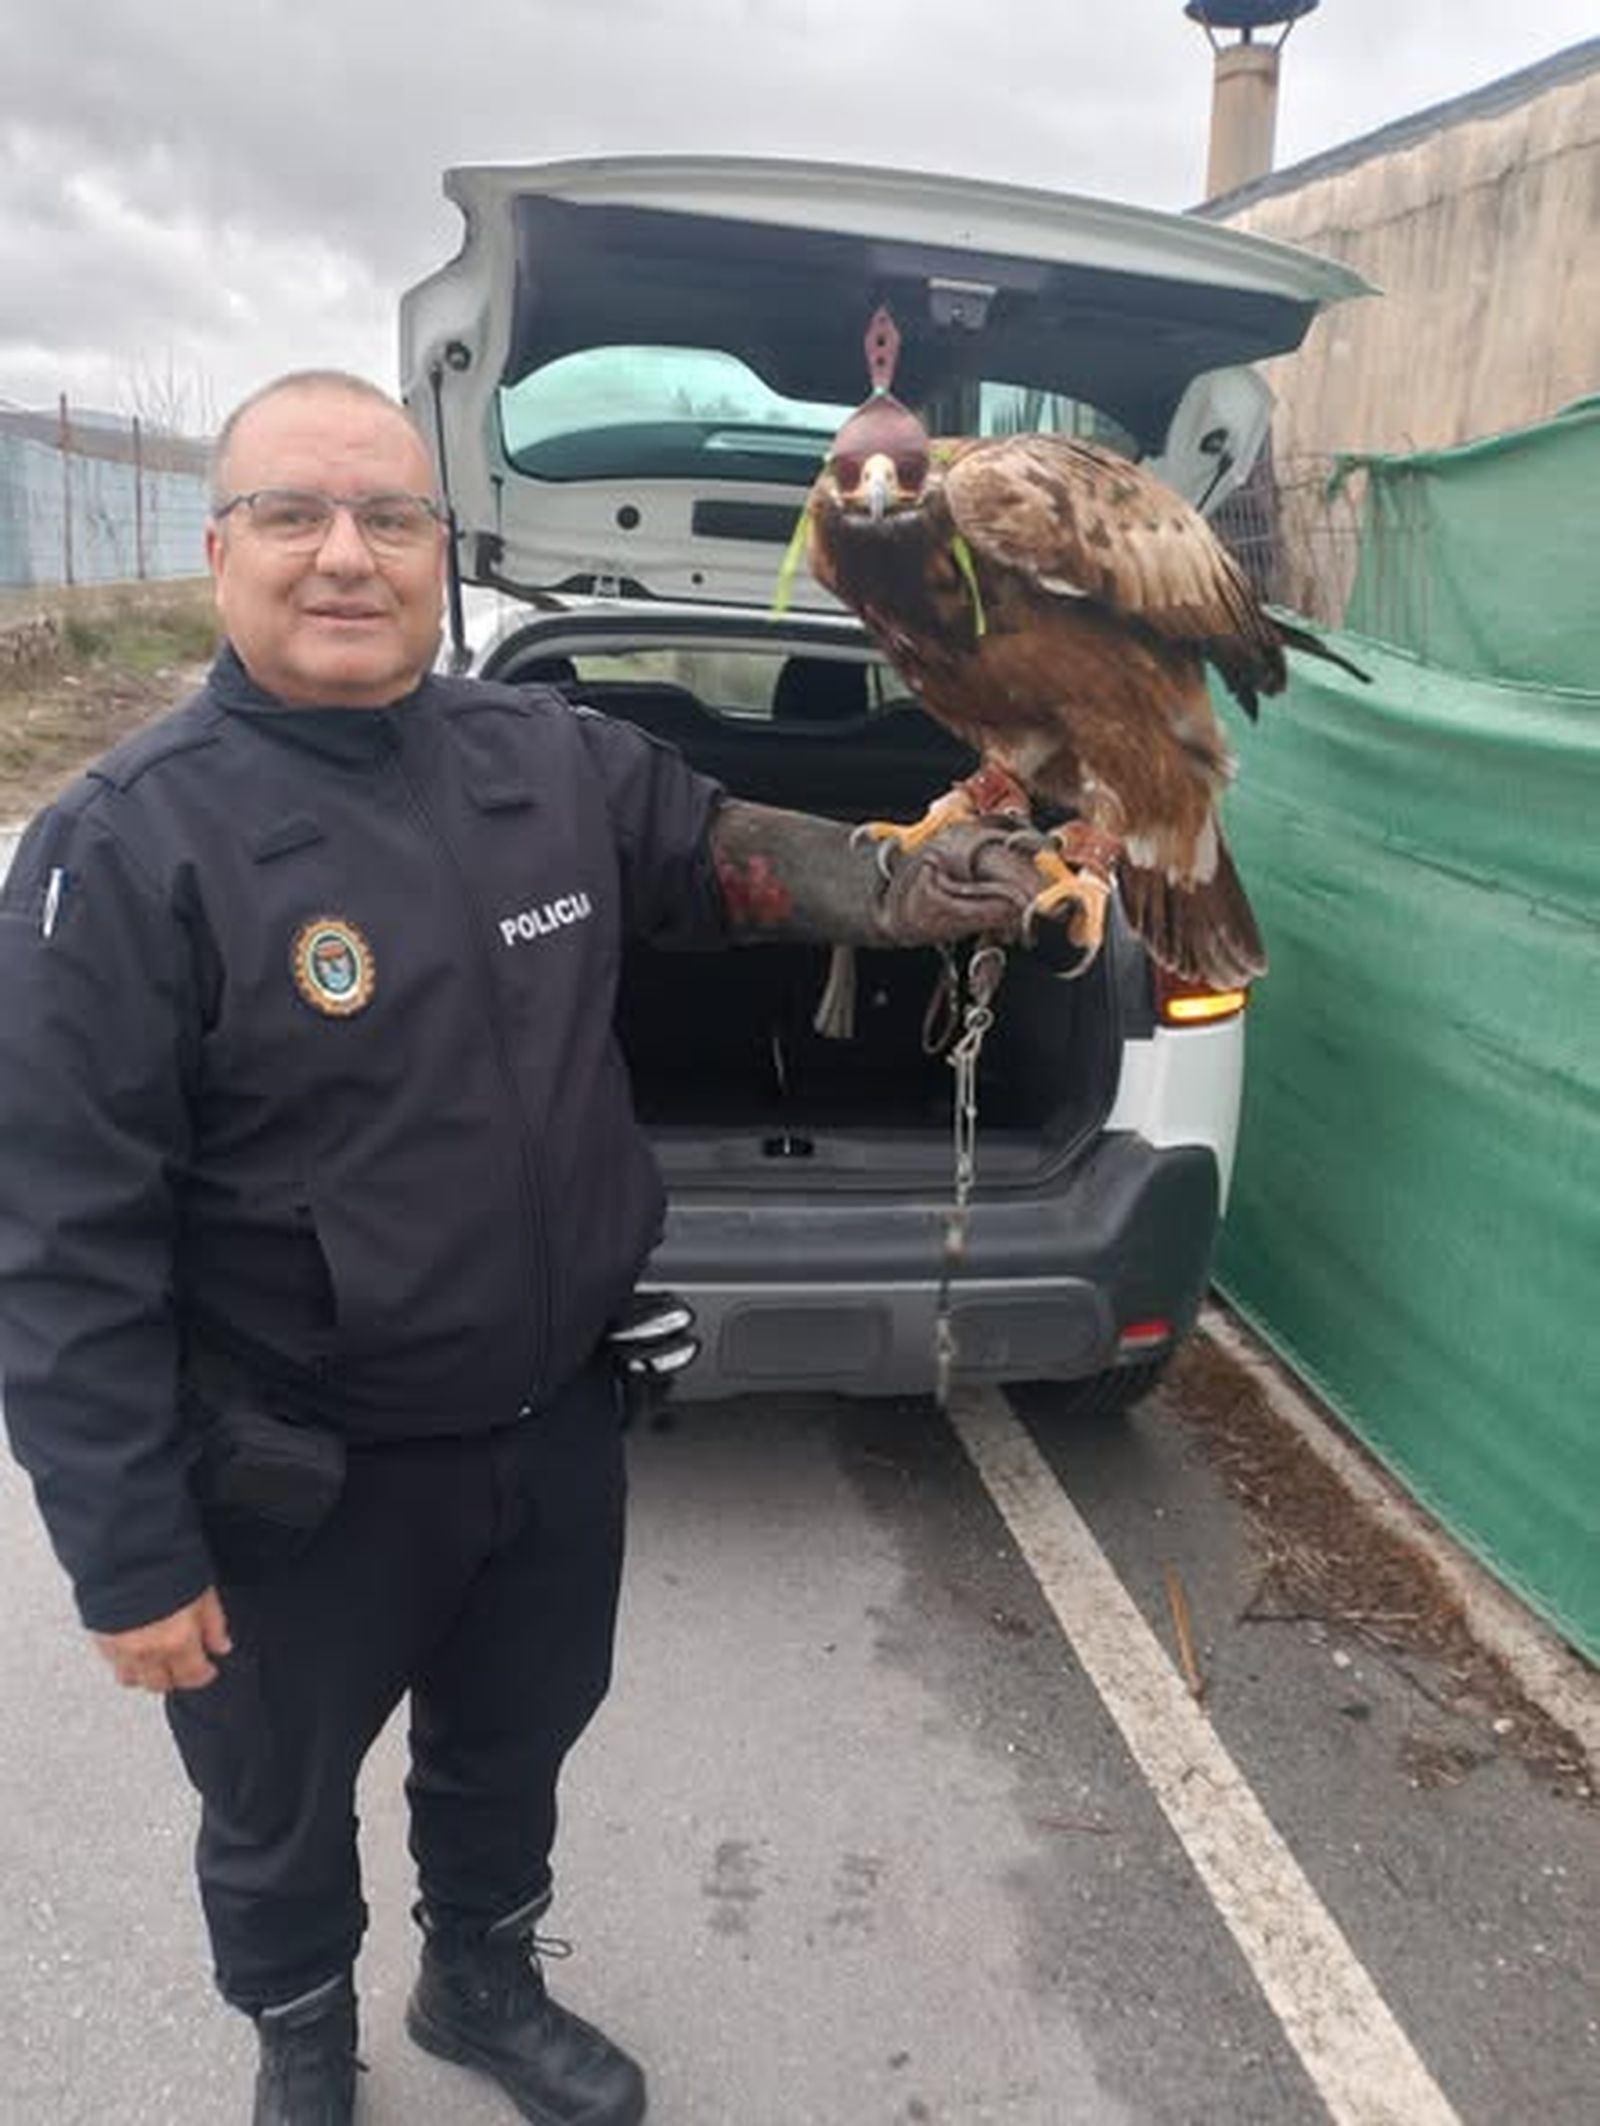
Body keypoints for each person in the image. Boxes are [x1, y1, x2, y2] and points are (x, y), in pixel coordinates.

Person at [0, 371, 1062, 2126]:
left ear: (441, 556)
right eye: (295, 514)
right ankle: (302, 2033)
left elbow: (713, 845)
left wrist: (884, 882)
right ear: (217, 553)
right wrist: (124, 1550)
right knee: (273, 1797)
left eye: (391, 519)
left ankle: (479, 1980)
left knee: (513, 1745)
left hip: (549, 1429)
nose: (347, 555)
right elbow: (58, 1238)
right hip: (292, 1470)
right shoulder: (120, 855)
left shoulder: (540, 757)